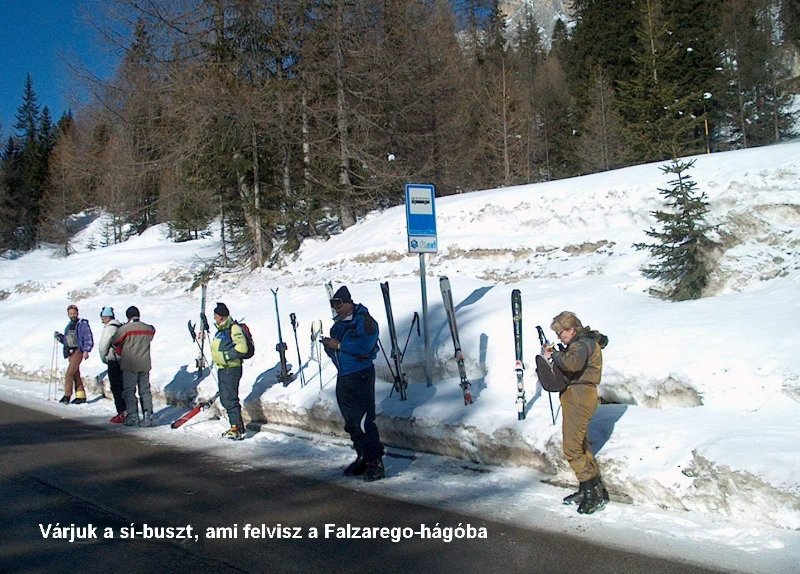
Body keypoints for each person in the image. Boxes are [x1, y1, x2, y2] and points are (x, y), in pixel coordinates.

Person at [542, 311, 609, 515]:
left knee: (571, 447)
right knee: (580, 444)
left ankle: (591, 493)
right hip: (578, 394)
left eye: (561, 332)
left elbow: (572, 364)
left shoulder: (581, 344)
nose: (559, 336)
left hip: (579, 394)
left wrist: (554, 355)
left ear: (571, 329)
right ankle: (590, 489)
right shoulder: (584, 342)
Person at [322, 286, 385, 481]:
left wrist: (339, 346)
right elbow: (336, 350)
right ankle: (363, 456)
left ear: (349, 302)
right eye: (334, 305)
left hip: (361, 374)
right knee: (351, 421)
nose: (336, 308)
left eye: (339, 304)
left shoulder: (364, 320)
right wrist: (329, 347)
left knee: (366, 420)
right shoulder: (338, 325)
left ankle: (376, 462)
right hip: (344, 376)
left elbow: (365, 346)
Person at [209, 302, 248, 440]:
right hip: (224, 368)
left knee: (229, 399)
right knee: (226, 398)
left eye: (215, 315)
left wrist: (226, 356)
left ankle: (236, 428)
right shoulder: (221, 330)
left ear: (220, 316)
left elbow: (242, 348)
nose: (214, 318)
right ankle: (236, 426)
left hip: (231, 368)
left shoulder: (233, 328)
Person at [113, 306, 156, 427]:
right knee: (145, 390)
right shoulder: (147, 328)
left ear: (128, 316)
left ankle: (133, 416)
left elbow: (115, 341)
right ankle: (148, 414)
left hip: (129, 363)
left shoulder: (125, 329)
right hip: (145, 363)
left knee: (129, 391)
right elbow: (153, 332)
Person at [53, 304, 93, 404]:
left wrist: (86, 350)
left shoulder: (82, 324)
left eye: (74, 313)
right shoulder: (69, 326)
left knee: (69, 373)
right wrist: (60, 337)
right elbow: (67, 341)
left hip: (78, 351)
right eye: (71, 313)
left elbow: (88, 337)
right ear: (68, 314)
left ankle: (67, 395)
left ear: (77, 313)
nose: (73, 315)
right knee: (75, 374)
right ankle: (81, 396)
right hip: (70, 352)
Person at [98, 306, 126, 423]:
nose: (102, 320)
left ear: (106, 317)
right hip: (124, 359)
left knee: (116, 387)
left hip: (113, 360)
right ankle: (128, 411)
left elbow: (103, 345)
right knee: (124, 386)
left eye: (103, 317)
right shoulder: (120, 326)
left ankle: (121, 412)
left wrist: (104, 358)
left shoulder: (109, 328)